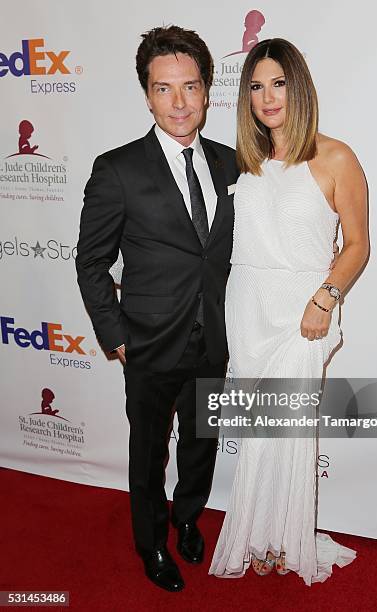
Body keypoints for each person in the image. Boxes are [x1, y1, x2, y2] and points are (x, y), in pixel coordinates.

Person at [76, 25, 239, 593]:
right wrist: (113, 331)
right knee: (148, 455)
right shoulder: (117, 169)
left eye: (190, 87)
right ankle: (151, 544)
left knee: (201, 443)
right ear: (147, 94)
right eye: (164, 89)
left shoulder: (231, 164)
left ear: (207, 91)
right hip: (147, 341)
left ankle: (188, 517)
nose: (179, 102)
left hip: (214, 338)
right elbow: (91, 261)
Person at [209, 38, 369, 584]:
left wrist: (326, 298)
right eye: (256, 86)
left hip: (305, 311)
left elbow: (357, 245)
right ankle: (261, 536)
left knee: (290, 431)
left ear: (297, 86)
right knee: (260, 430)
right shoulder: (245, 161)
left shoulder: (335, 156)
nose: (267, 96)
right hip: (247, 306)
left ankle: (285, 536)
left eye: (278, 83)